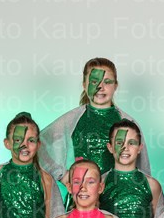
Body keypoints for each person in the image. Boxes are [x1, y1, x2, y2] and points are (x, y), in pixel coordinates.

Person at [38, 57, 151, 208]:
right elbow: (38, 144)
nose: (100, 87)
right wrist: (63, 175)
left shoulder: (128, 122)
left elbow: (143, 167)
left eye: (107, 82)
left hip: (119, 198)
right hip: (83, 199)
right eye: (94, 82)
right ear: (84, 85)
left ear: (115, 85)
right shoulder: (72, 119)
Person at [99, 119, 164, 218]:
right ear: (110, 147)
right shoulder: (100, 183)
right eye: (119, 143)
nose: (125, 148)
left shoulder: (151, 185)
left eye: (131, 143)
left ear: (140, 148)